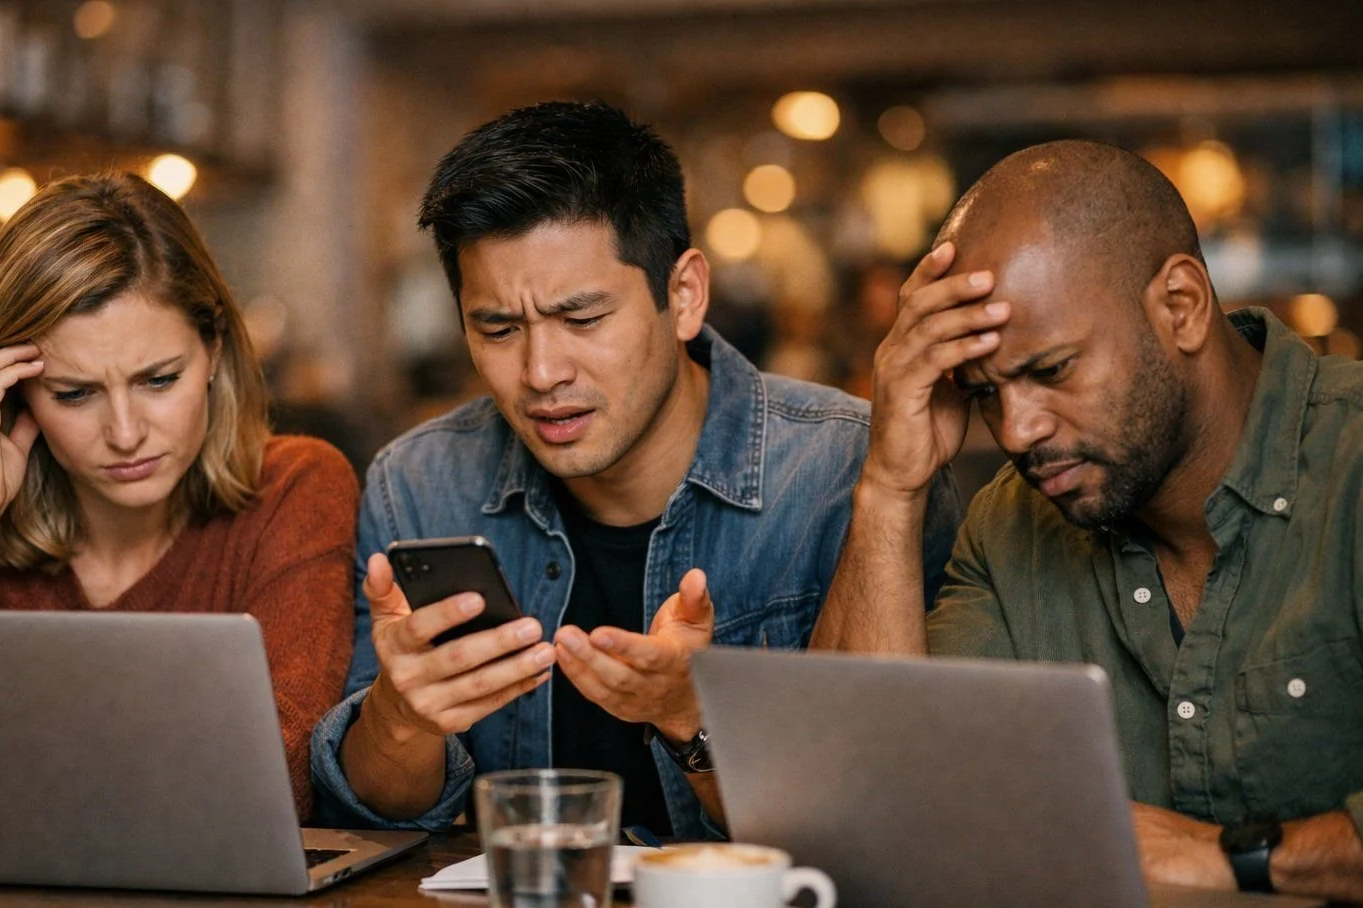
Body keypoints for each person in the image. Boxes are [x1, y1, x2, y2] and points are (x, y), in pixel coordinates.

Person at [310, 101, 960, 839]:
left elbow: (888, 828)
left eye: (583, 320)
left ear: (683, 296)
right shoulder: (420, 483)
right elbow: (368, 818)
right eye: (497, 328)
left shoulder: (842, 470)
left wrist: (691, 718)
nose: (541, 372)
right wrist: (400, 718)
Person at [812, 140, 1363, 908]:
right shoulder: (1008, 525)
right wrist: (890, 486)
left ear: (1181, 306)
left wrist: (1234, 860)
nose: (1017, 430)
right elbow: (872, 818)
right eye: (982, 394)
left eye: (1052, 370)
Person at [0, 172, 357, 853]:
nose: (127, 432)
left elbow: (277, 788)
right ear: (12, 392)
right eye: (74, 394)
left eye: (159, 380)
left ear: (214, 351)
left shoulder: (294, 487)